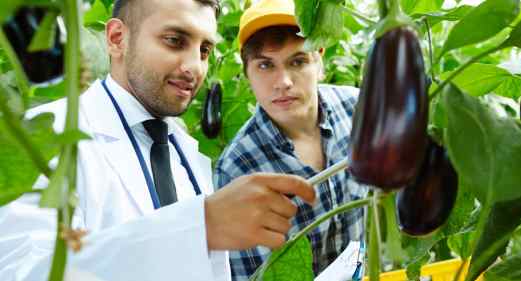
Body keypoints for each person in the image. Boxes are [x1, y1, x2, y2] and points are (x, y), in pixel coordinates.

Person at [0, 0, 317, 280]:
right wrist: (200, 226)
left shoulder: (185, 151)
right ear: (117, 39)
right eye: (174, 40)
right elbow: (24, 271)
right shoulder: (37, 138)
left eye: (204, 50)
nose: (194, 67)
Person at [214, 0, 368, 279]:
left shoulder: (358, 110)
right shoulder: (237, 167)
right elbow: (254, 275)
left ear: (319, 63)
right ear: (247, 75)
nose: (283, 81)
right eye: (265, 65)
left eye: (297, 61)